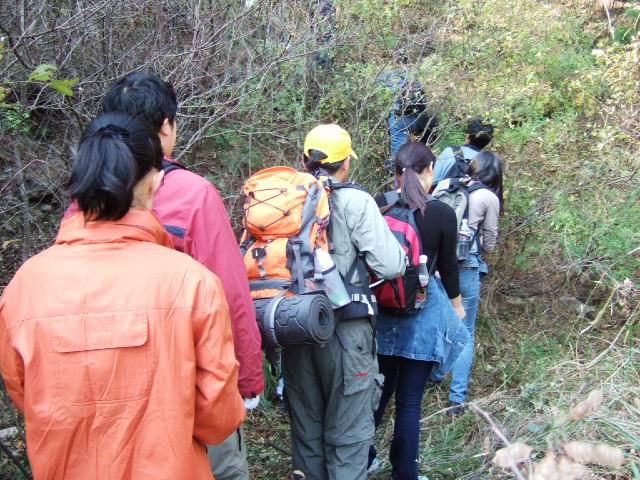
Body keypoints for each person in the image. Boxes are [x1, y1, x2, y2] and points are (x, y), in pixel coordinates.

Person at [0, 113, 245, 480]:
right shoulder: (192, 282)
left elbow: (27, 395)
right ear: (156, 183)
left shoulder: (26, 285)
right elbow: (218, 418)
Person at [66, 72, 263, 479]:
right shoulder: (192, 193)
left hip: (99, 401)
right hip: (188, 396)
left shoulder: (82, 202)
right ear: (166, 126)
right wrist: (247, 381)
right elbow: (230, 296)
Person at [283, 124, 406, 480]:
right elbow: (391, 265)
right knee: (348, 438)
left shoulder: (287, 200)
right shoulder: (356, 201)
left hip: (296, 328)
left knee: (307, 435)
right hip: (345, 332)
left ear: (304, 160)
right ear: (346, 163)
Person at [372, 142, 469, 480]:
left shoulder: (379, 205)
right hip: (422, 315)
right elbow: (450, 268)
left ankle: (360, 459)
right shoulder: (441, 213)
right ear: (429, 171)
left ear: (396, 173)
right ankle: (404, 474)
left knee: (377, 395)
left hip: (381, 312)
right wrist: (457, 306)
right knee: (409, 403)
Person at [433, 151, 504, 413]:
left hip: (437, 268)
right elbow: (490, 243)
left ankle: (433, 375)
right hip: (466, 267)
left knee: (438, 324)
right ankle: (457, 398)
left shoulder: (446, 185)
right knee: (466, 331)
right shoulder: (488, 197)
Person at [382, 70, 439, 172]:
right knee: (426, 148)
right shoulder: (420, 76)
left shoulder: (390, 76)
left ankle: (397, 168)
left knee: (397, 136)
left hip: (402, 119)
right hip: (424, 118)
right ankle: (426, 165)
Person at [432, 118, 494, 186]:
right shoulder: (487, 165)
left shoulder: (450, 151)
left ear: (468, 136)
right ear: (487, 142)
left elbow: (433, 180)